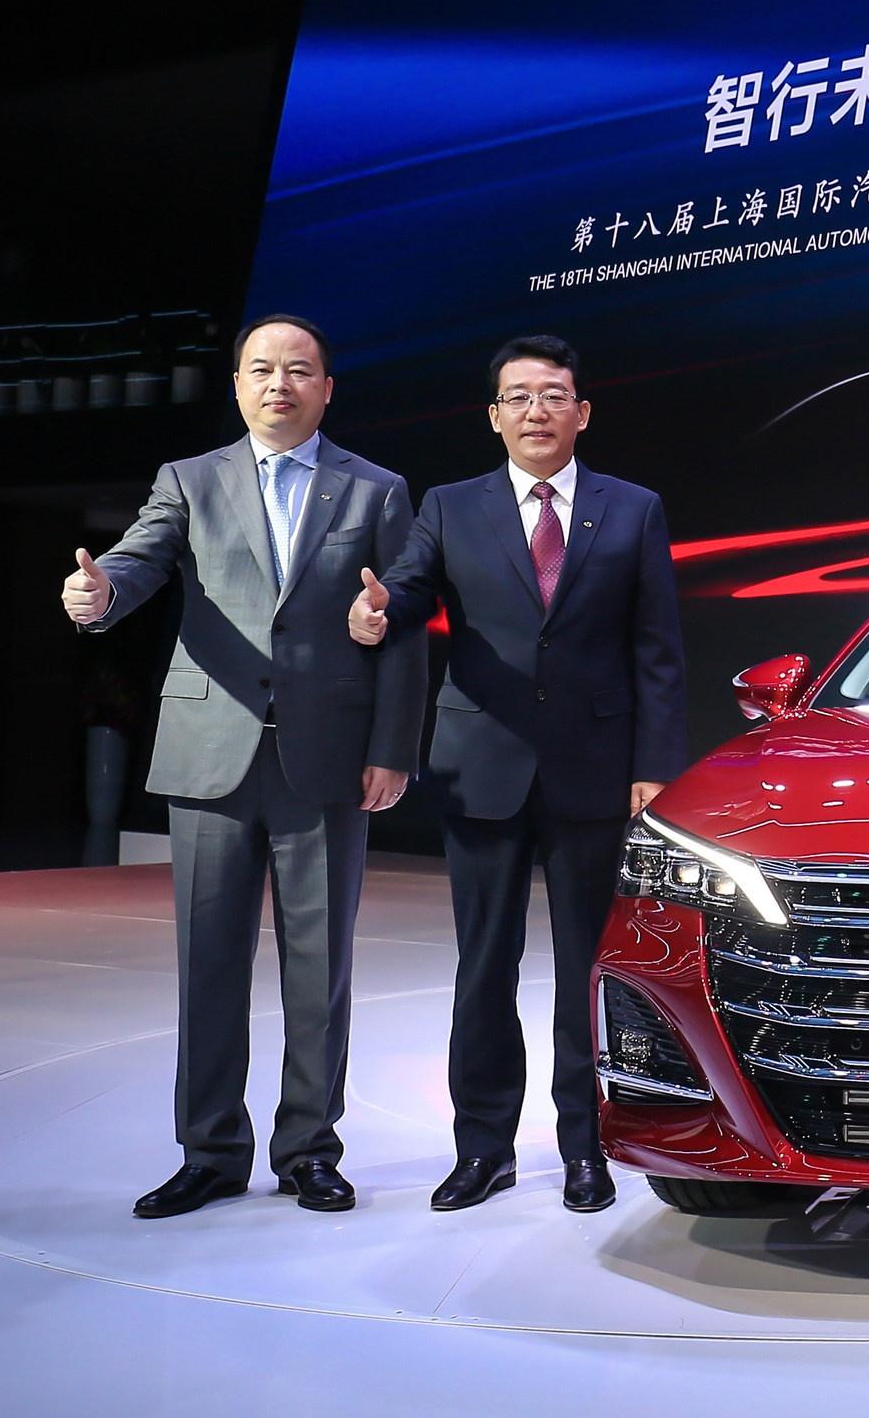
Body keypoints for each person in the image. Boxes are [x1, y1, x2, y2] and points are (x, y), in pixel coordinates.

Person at [63, 315, 426, 1219]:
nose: (279, 385)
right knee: (209, 965)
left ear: (327, 388)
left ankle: (309, 1150)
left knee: (320, 969)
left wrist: (391, 748)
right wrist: (100, 594)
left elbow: (402, 624)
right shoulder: (189, 479)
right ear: (236, 385)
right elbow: (138, 562)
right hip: (210, 751)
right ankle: (210, 1152)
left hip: (327, 757)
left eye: (298, 370)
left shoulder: (377, 489)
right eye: (261, 369)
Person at [349, 334, 688, 1215]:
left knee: (586, 971)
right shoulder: (451, 505)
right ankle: (483, 1150)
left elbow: (656, 649)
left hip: (595, 770)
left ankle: (585, 1147)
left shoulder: (633, 508)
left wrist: (655, 766)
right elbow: (410, 590)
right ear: (494, 415)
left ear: (582, 412)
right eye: (518, 397)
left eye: (553, 395)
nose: (536, 411)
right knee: (484, 967)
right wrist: (380, 610)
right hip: (484, 766)